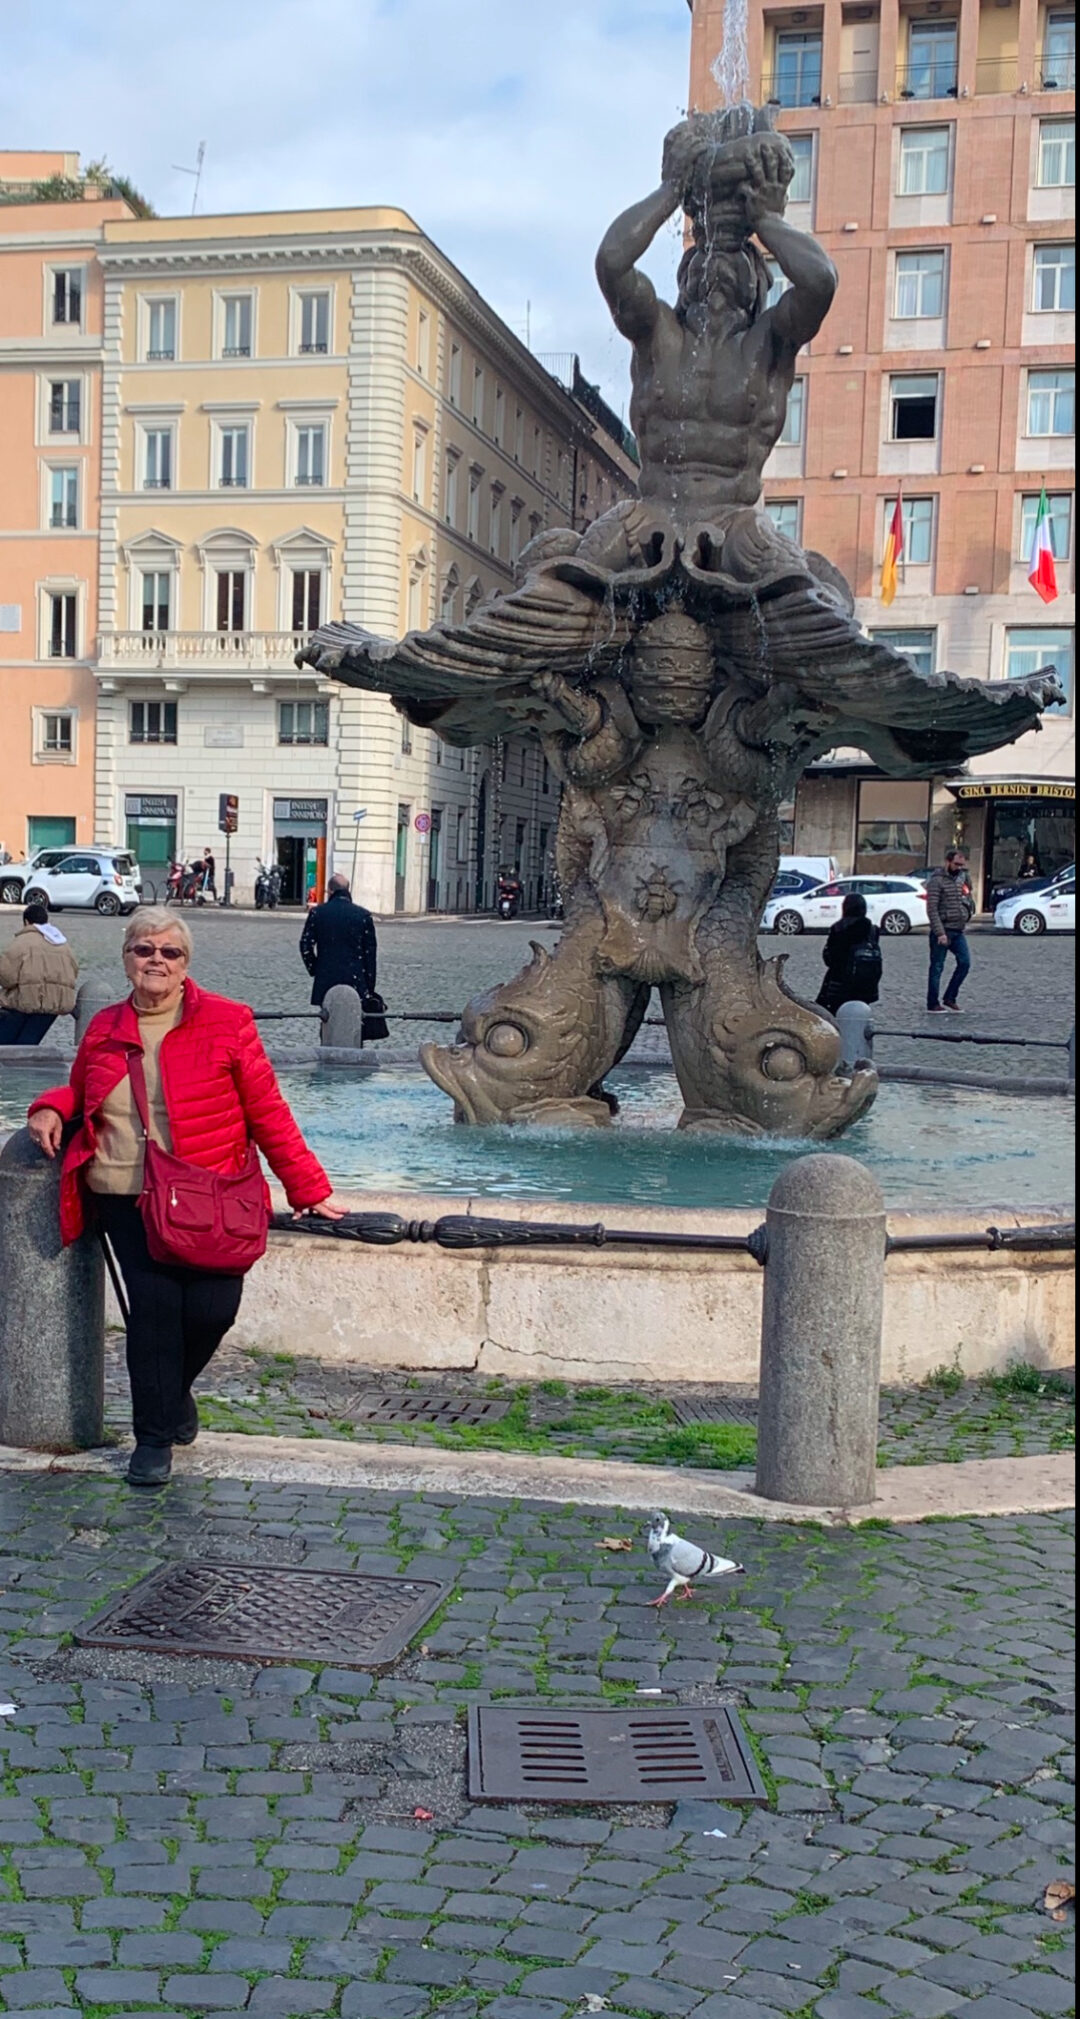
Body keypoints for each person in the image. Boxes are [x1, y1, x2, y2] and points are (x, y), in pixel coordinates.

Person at [26, 907, 344, 1488]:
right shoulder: (104, 1027)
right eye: (144, 949)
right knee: (153, 1317)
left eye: (168, 952)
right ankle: (152, 1440)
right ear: (126, 958)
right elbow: (80, 1087)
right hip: (125, 1191)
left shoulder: (228, 1022)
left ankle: (173, 1397)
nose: (156, 960)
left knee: (212, 1309)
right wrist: (51, 1105)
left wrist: (307, 1186)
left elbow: (267, 1110)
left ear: (185, 964)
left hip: (211, 1194)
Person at [0, 903, 79, 1045]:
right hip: (55, 1005)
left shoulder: (21, 942)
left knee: (8, 1044)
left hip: (25, 1003)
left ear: (26, 922)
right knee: (29, 1043)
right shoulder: (62, 943)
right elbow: (74, 971)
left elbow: (6, 977)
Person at [300, 872, 378, 1008]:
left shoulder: (318, 913)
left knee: (327, 1021)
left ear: (329, 891)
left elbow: (305, 945)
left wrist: (315, 968)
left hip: (326, 976)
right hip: (355, 978)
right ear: (348, 890)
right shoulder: (363, 915)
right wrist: (369, 987)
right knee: (353, 1022)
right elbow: (370, 955)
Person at [815, 893, 882, 1017]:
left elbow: (831, 959)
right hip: (866, 983)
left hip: (840, 983)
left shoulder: (839, 928)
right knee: (858, 1017)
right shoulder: (872, 930)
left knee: (829, 1016)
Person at [926, 848, 975, 1013]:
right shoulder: (936, 881)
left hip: (957, 929)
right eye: (956, 864)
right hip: (943, 930)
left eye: (962, 864)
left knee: (965, 962)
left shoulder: (961, 878)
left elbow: (966, 897)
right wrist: (940, 933)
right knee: (937, 967)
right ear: (948, 862)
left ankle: (950, 997)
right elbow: (932, 909)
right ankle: (933, 1003)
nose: (959, 867)